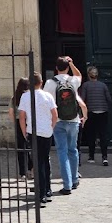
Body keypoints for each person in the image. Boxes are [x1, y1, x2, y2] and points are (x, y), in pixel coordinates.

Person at [44, 55, 86, 194]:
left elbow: (46, 103)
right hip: (74, 120)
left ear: (56, 68)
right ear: (67, 67)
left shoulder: (50, 83)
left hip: (58, 121)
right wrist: (72, 64)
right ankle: (74, 179)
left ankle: (67, 185)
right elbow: (79, 75)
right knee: (73, 150)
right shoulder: (73, 81)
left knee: (62, 151)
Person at [18, 72, 57, 205]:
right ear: (41, 83)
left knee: (37, 162)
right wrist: (51, 127)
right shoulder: (48, 96)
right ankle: (48, 190)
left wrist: (24, 132)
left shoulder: (25, 96)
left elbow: (22, 116)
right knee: (45, 160)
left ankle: (41, 194)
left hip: (33, 132)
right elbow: (54, 115)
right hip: (46, 132)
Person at [81, 65, 112, 165]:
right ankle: (104, 157)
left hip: (91, 112)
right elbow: (109, 99)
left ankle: (91, 156)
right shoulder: (103, 85)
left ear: (89, 75)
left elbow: (82, 99)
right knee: (103, 135)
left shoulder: (86, 85)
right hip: (103, 111)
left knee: (91, 135)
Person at [7, 77, 32, 180]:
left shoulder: (15, 97)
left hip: (18, 122)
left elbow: (11, 112)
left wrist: (15, 122)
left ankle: (23, 173)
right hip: (29, 121)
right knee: (31, 146)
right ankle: (32, 169)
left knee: (21, 148)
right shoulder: (30, 96)